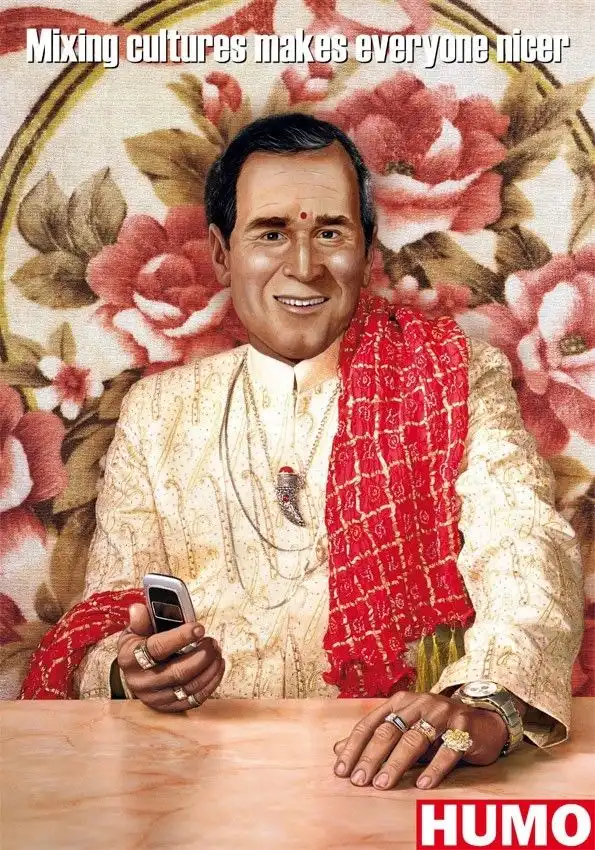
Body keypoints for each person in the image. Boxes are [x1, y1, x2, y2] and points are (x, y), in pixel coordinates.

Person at [21, 113, 584, 793]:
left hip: (396, 774)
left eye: (330, 232)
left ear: (366, 252)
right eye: (270, 233)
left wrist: (488, 699)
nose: (304, 265)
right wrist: (133, 668)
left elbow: (524, 546)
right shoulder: (159, 411)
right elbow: (108, 611)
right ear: (222, 253)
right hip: (198, 786)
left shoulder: (452, 374)